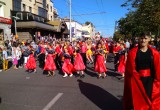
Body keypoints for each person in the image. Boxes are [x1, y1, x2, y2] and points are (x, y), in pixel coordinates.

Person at [123, 33, 160, 110]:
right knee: (138, 99)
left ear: (149, 39)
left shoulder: (155, 53)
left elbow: (157, 67)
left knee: (148, 97)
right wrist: (134, 77)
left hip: (150, 79)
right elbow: (130, 68)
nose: (143, 40)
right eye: (141, 38)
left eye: (145, 38)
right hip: (137, 79)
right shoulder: (132, 52)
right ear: (139, 39)